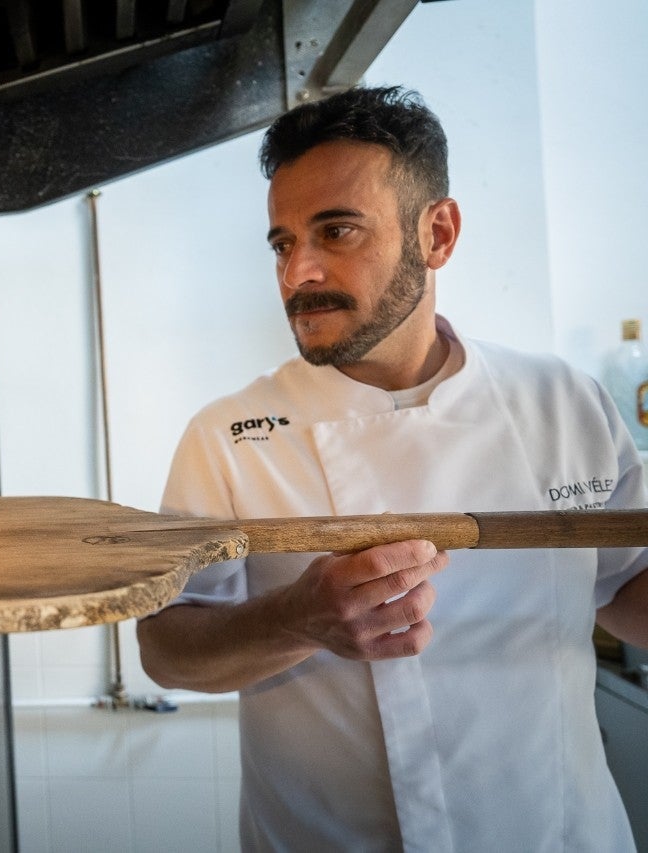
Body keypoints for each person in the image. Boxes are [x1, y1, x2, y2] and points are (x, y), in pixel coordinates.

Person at [136, 85, 648, 851]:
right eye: (282, 242)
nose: (297, 272)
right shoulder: (229, 436)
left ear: (437, 234)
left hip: (559, 832)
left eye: (336, 231)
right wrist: (297, 617)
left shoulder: (564, 402)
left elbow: (625, 587)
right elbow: (166, 649)